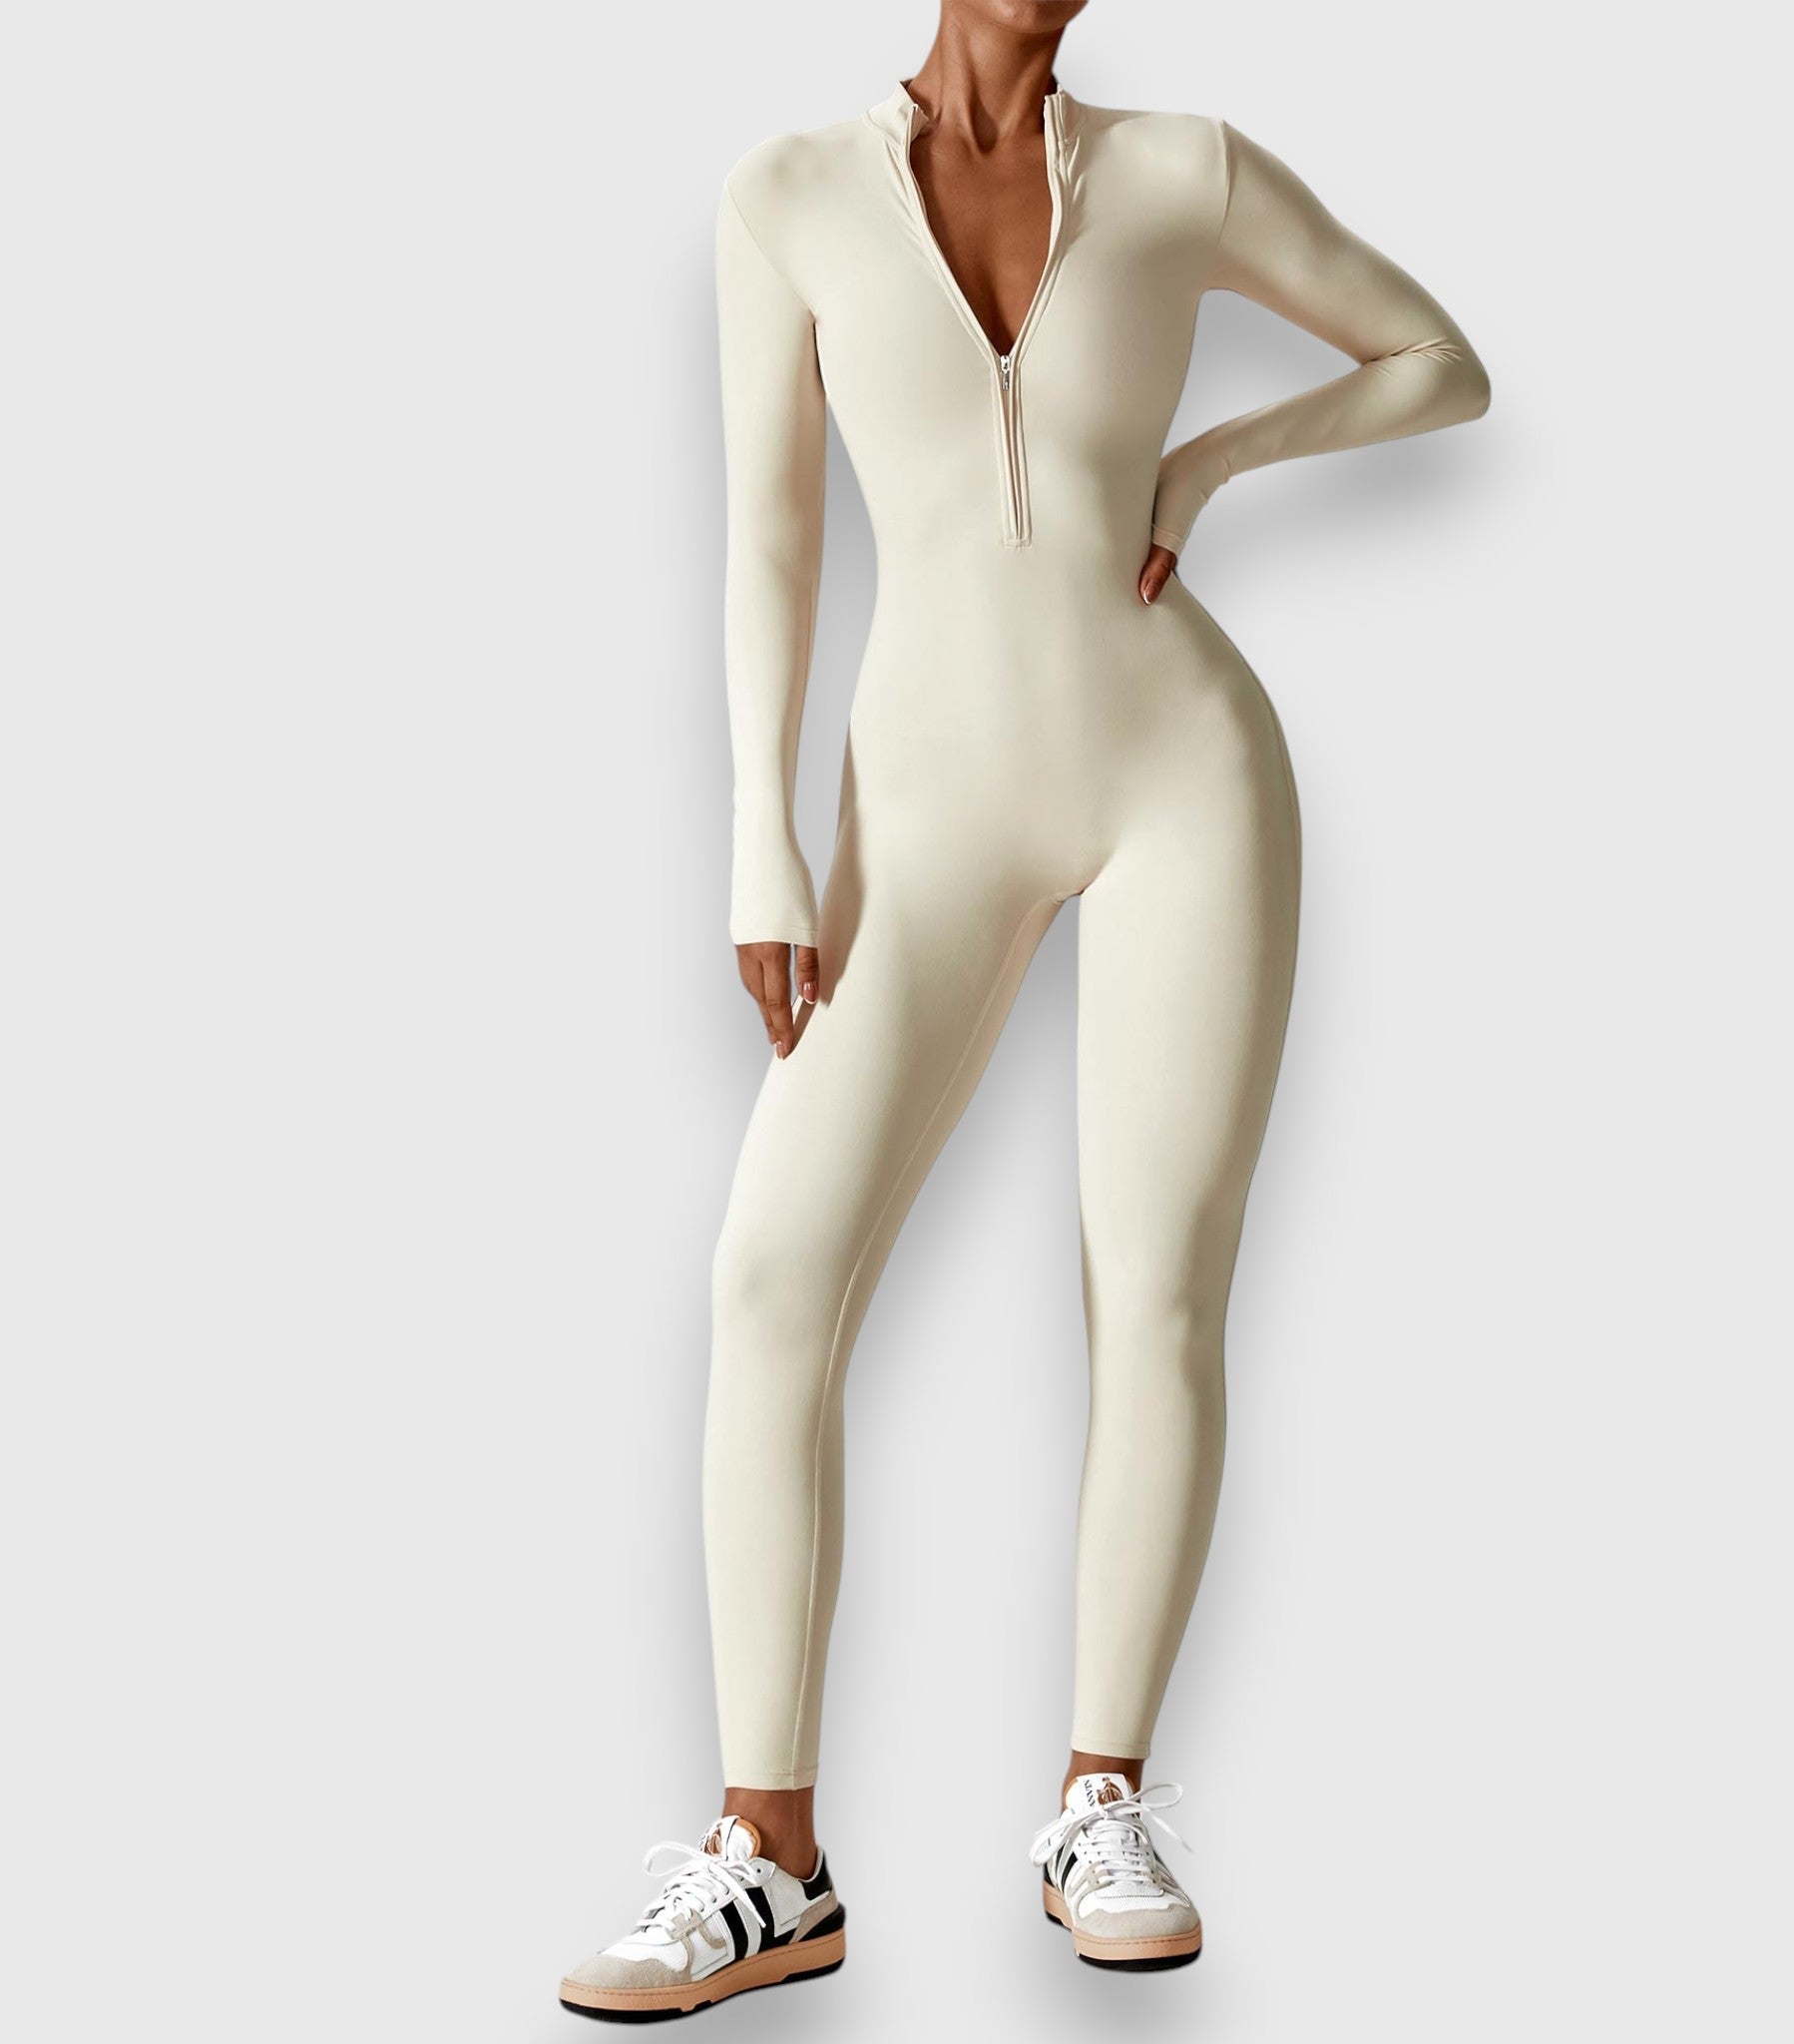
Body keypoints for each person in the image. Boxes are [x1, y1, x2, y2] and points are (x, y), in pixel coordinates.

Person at [560, 0, 1488, 2017]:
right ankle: (770, 1860)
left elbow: (1440, 359)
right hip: (924, 806)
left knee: (1154, 1295)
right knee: (771, 1278)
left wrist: (1214, 458)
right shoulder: (786, 194)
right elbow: (771, 536)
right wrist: (760, 835)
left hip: (1185, 781)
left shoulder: (1184, 170)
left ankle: (1099, 1800)